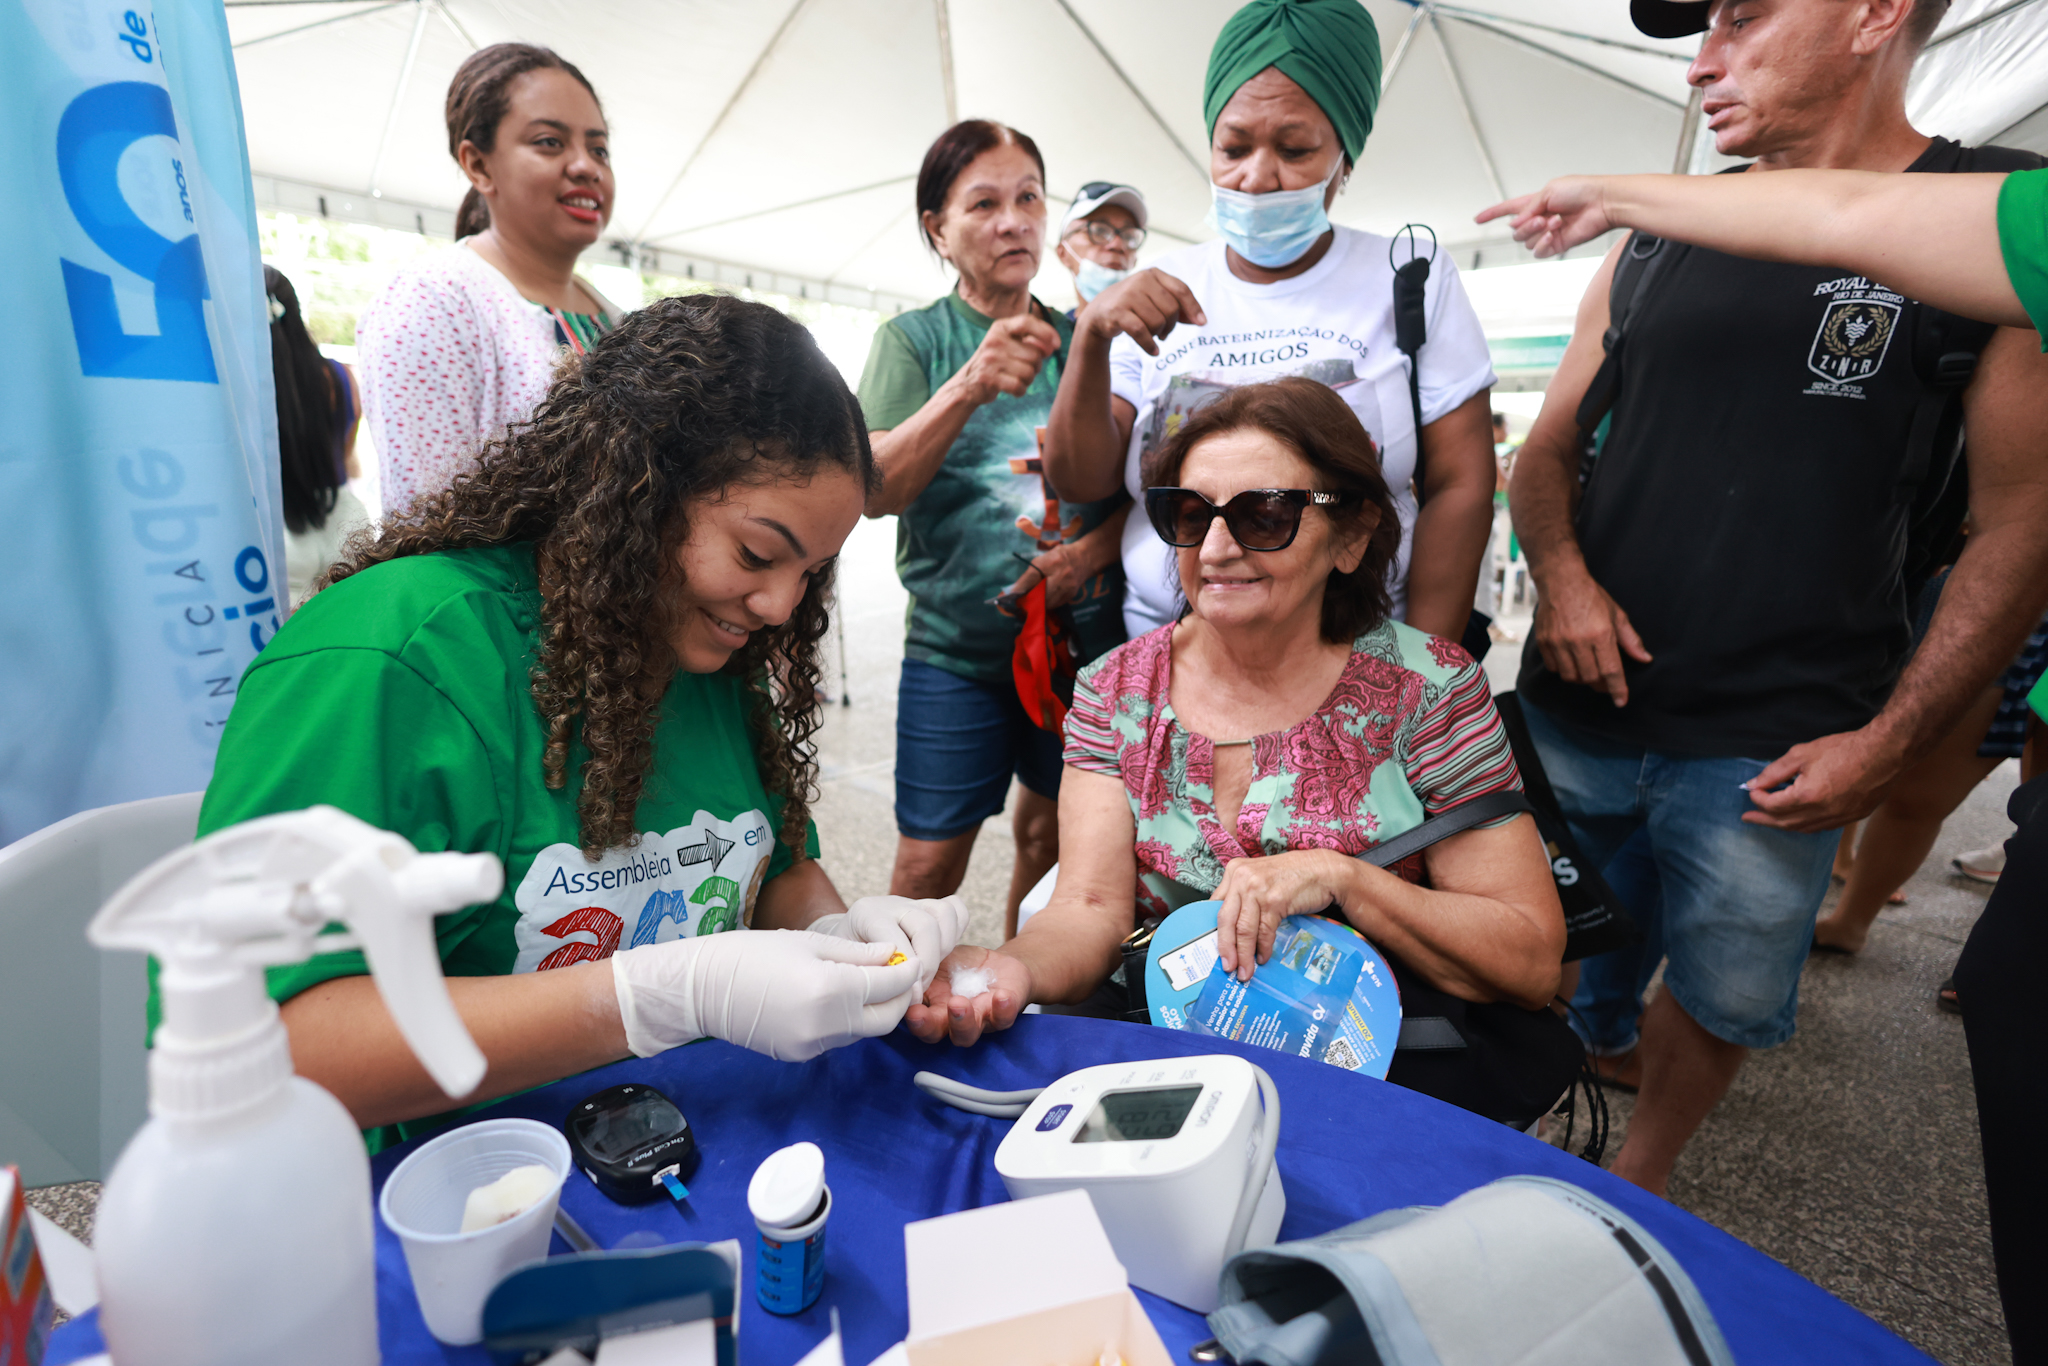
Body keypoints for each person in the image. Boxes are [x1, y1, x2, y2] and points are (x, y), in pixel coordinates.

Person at [1466, 0, 2048, 1202]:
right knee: (1556, 939)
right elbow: (1546, 448)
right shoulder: (1656, 231)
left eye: (1741, 15)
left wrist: (1889, 742)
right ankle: (1576, 1072)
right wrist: (1559, 580)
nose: (1701, 63)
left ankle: (1639, 1182)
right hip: (1578, 707)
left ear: (1873, 13)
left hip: (1782, 736)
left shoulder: (1988, 218)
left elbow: (2017, 525)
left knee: (1726, 989)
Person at [162, 295, 966, 1151]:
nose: (778, 607)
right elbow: (265, 1044)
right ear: (635, 486)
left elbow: (774, 866)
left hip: (685, 1142)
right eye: (757, 555)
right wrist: (652, 996)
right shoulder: (391, 659)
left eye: (810, 573)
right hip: (454, 1178)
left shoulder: (702, 647)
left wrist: (843, 944)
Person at [906, 379, 1563, 1050]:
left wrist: (1341, 877)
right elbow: (1088, 907)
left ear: (1352, 534)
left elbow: (1531, 960)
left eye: (1266, 516)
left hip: (1377, 1061)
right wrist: (1012, 969)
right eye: (1191, 516)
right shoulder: (1115, 692)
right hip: (1175, 1054)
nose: (1217, 549)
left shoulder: (1428, 690)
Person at [1044, 0, 1497, 649]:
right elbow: (1081, 477)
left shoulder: (1409, 276)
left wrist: (1424, 667)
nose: (1256, 178)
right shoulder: (1158, 288)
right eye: (1233, 148)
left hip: (1362, 651)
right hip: (1170, 652)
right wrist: (1091, 337)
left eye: (1294, 149)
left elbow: (1462, 483)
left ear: (1345, 156)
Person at [857, 121, 1128, 936]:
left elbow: (1142, 490)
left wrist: (1085, 556)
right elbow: (874, 488)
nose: (1013, 222)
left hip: (1076, 651)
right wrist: (969, 383)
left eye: (1029, 199)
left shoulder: (1085, 340)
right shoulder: (913, 341)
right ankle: (896, 1003)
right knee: (925, 866)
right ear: (938, 229)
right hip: (955, 654)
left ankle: (1023, 989)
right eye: (983, 204)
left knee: (1050, 843)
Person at [356, 43, 624, 513]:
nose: (586, 166)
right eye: (550, 142)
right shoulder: (430, 301)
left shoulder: (618, 319)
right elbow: (425, 522)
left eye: (598, 149)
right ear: (478, 165)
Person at [265, 266, 371, 608]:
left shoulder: (245, 391)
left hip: (281, 536)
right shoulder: (341, 377)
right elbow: (346, 456)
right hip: (344, 527)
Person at [1055, 181, 1148, 321]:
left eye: (1129, 236)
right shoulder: (1052, 332)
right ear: (1063, 253)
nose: (1117, 245)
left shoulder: (1165, 327)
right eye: (1099, 231)